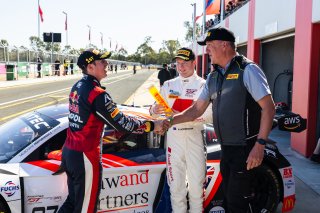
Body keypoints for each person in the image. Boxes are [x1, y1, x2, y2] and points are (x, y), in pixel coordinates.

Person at [168, 27, 275, 212]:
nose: (207, 50)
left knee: (238, 202)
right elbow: (195, 110)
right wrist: (168, 122)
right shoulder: (213, 76)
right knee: (229, 199)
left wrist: (260, 145)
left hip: (246, 149)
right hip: (226, 149)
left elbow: (269, 107)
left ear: (224, 45)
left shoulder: (248, 69)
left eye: (210, 45)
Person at [58, 48, 166, 213]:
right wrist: (152, 125)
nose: (107, 64)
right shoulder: (97, 93)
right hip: (85, 156)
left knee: (72, 203)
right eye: (102, 61)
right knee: (86, 208)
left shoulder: (77, 86)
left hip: (70, 152)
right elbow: (123, 124)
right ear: (91, 67)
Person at [150, 47, 212, 213]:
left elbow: (209, 115)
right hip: (173, 139)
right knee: (176, 187)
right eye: (178, 64)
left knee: (197, 187)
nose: (181, 67)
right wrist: (154, 110)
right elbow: (154, 112)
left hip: (195, 136)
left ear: (194, 63)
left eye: (185, 63)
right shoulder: (169, 85)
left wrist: (181, 116)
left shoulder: (204, 85)